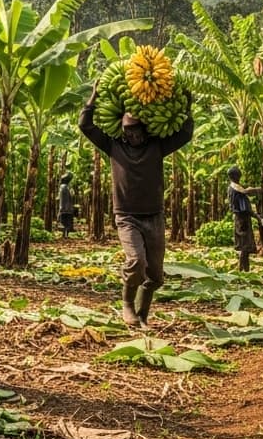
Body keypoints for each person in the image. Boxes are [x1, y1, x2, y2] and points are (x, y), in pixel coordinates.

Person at [79, 83, 194, 330]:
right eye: (129, 130)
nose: (133, 135)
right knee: (136, 261)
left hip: (154, 215)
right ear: (122, 130)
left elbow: (185, 134)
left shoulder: (157, 146)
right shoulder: (113, 146)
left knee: (155, 276)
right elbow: (86, 126)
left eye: (137, 129)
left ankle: (142, 316)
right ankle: (127, 304)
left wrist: (187, 105)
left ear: (146, 129)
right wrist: (93, 98)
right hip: (127, 216)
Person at [226, 166, 263, 272]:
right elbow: (246, 193)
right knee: (245, 246)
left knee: (245, 247)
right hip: (242, 220)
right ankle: (242, 270)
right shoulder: (236, 188)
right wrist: (260, 190)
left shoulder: (232, 187)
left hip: (241, 219)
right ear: (235, 176)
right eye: (238, 175)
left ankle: (245, 270)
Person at [58, 172, 76, 239]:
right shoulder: (65, 188)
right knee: (66, 223)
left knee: (64, 222)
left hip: (63, 208)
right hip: (67, 208)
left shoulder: (63, 187)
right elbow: (70, 197)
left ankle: (64, 235)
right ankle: (65, 235)